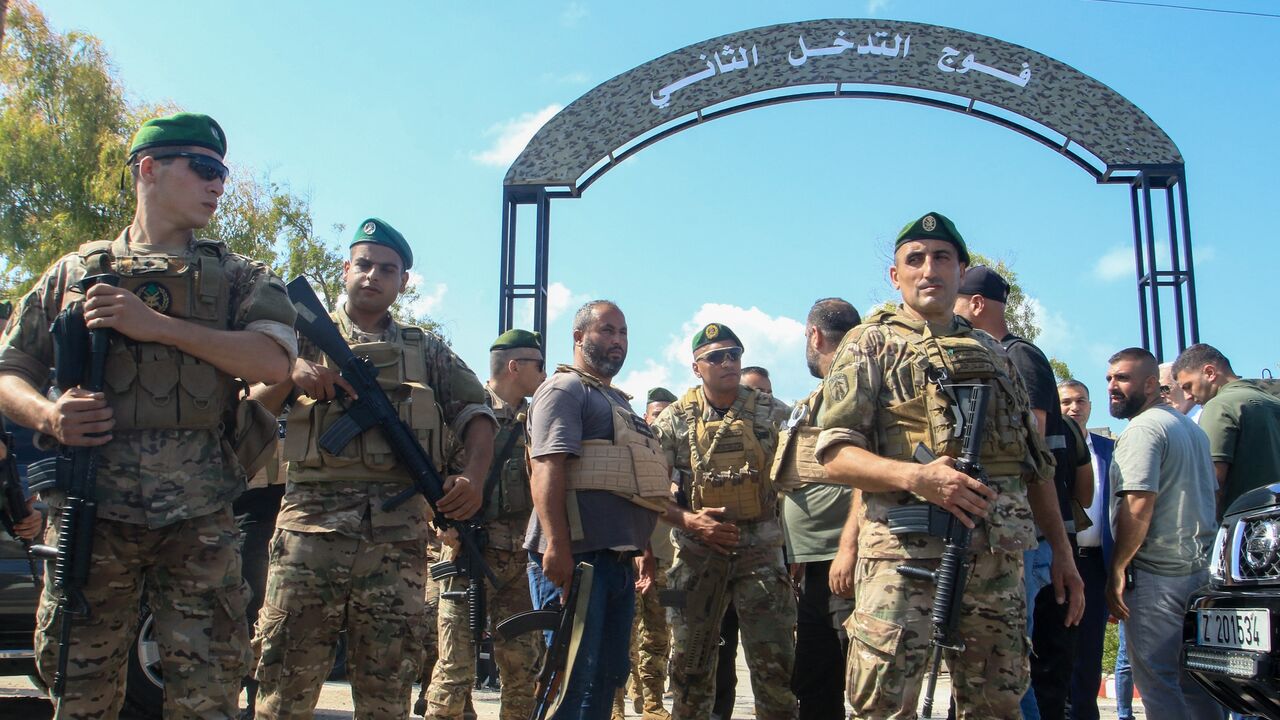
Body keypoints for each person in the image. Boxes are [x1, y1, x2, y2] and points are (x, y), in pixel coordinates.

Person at [0, 112, 298, 718]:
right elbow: (10, 369)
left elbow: (273, 361)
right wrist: (49, 415)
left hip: (199, 516)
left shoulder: (237, 276)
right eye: (204, 168)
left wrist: (155, 326)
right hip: (91, 509)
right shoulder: (74, 273)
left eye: (222, 173)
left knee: (209, 693)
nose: (218, 184)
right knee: (80, 691)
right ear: (149, 169)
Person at [815, 212, 1083, 719]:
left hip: (996, 561)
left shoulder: (995, 354)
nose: (928, 269)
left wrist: (1064, 555)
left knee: (998, 705)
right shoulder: (870, 344)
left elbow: (1035, 467)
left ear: (961, 270)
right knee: (883, 705)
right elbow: (834, 454)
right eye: (914, 259)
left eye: (941, 257)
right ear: (895, 275)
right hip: (903, 557)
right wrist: (917, 477)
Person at [249, 218, 497, 719]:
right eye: (364, 264)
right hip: (309, 535)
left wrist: (473, 475)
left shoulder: (425, 349)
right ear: (345, 269)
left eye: (387, 269)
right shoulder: (297, 336)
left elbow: (479, 413)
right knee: (283, 685)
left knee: (387, 692)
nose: (373, 276)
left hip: (396, 544)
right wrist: (288, 370)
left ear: (403, 281)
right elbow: (249, 410)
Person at [953, 265, 1087, 720]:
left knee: (1008, 666)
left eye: (957, 301)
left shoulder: (1016, 356)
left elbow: (1029, 450)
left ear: (976, 304)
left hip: (1024, 535)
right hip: (1017, 534)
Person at [525, 300, 668, 719]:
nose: (617, 341)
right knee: (571, 681)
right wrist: (557, 546)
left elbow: (630, 484)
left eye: (623, 333)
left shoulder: (617, 402)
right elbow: (546, 468)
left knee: (606, 681)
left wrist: (643, 548)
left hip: (616, 563)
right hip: (579, 561)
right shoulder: (565, 390)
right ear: (578, 337)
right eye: (607, 331)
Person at [652, 323, 796, 720]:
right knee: (690, 668)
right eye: (716, 357)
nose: (728, 362)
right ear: (696, 367)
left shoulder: (773, 412)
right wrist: (691, 522)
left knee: (776, 669)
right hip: (697, 554)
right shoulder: (674, 420)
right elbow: (646, 492)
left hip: (761, 554)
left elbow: (803, 475)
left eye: (734, 354)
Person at [424, 329, 546, 720]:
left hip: (520, 561)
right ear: (514, 366)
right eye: (538, 365)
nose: (544, 374)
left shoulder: (539, 418)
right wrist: (441, 524)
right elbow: (425, 472)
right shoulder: (464, 413)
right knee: (455, 670)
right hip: (467, 555)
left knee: (522, 668)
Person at [1104, 347, 1224, 720]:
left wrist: (1118, 568)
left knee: (1159, 684)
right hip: (1197, 575)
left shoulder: (1144, 429)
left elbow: (1138, 503)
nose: (1112, 386)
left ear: (1151, 384)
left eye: (1123, 378)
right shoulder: (1190, 429)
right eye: (1109, 378)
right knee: (1197, 682)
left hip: (1156, 577)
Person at [774, 297, 862, 720]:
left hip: (846, 562)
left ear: (814, 336)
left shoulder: (856, 389)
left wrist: (848, 548)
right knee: (813, 681)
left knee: (864, 685)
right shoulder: (816, 399)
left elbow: (864, 474)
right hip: (812, 565)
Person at [612, 387, 680, 720]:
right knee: (621, 635)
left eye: (668, 414)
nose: (662, 421)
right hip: (627, 557)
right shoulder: (630, 453)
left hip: (667, 561)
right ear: (645, 417)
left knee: (658, 637)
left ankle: (653, 702)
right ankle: (615, 705)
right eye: (657, 414)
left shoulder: (679, 458)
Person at [1057, 380, 1119, 720]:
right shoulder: (1048, 447)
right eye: (1066, 401)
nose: (1074, 407)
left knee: (1090, 652)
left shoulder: (1111, 450)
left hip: (1095, 565)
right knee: (1057, 648)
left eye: (1080, 400)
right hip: (1056, 562)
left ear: (1090, 406)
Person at [1172, 343, 1280, 517]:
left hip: (1245, 524)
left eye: (1188, 386)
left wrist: (1206, 529)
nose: (1187, 396)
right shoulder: (1273, 402)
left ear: (1210, 372)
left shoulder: (1220, 406)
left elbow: (1212, 483)